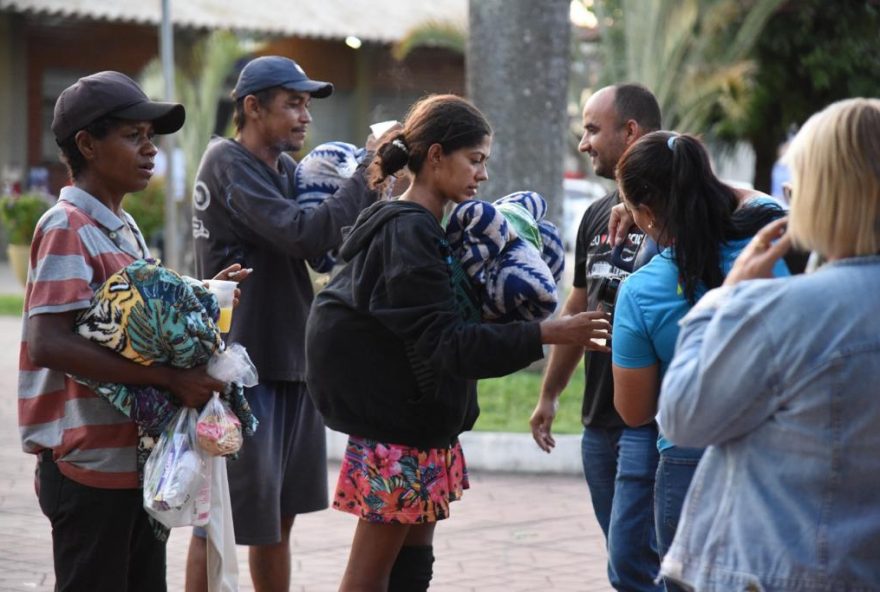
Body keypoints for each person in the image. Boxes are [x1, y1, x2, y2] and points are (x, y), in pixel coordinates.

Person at [305, 94, 612, 592]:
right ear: (435, 156)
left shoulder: (425, 227)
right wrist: (550, 331)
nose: (483, 175)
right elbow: (446, 343)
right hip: (397, 432)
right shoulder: (408, 233)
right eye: (475, 160)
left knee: (411, 568)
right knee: (368, 579)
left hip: (417, 427)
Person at [19, 70, 243, 591]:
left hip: (135, 461)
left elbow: (129, 316)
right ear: (86, 144)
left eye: (151, 138)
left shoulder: (122, 226)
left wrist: (202, 292)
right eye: (133, 136)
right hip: (87, 464)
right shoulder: (65, 226)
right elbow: (47, 341)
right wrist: (167, 379)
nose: (150, 151)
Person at [657, 98, 880, 591]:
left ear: (828, 192)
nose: (789, 192)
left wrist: (728, 296)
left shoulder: (788, 311)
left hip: (782, 570)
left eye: (797, 179)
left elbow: (682, 415)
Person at [187, 55, 381, 592]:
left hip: (290, 361)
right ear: (252, 107)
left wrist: (376, 190)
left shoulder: (281, 170)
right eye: (293, 104)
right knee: (220, 521)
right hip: (245, 368)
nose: (305, 117)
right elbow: (301, 233)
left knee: (278, 519)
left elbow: (326, 248)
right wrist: (366, 171)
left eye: (307, 105)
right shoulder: (226, 164)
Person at [610, 131, 789, 591]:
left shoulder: (641, 290)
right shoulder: (776, 255)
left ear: (646, 214)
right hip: (780, 452)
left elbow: (635, 411)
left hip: (688, 465)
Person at [529, 83, 663, 592]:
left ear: (630, 131)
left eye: (591, 129)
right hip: (598, 423)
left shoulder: (680, 214)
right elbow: (577, 309)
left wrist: (650, 205)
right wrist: (549, 394)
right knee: (628, 561)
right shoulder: (596, 214)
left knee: (634, 564)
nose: (583, 143)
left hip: (647, 424)